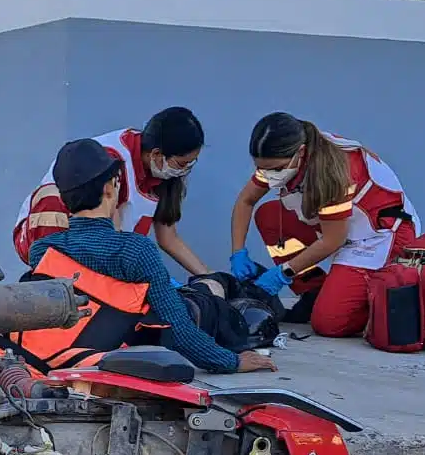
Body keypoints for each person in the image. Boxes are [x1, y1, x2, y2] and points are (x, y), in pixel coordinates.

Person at [14, 139, 277, 375]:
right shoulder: (134, 250)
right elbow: (182, 332)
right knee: (215, 287)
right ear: (109, 188)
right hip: (142, 336)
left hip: (86, 341)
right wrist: (232, 362)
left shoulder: (42, 250)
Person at [230, 113, 421, 338]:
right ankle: (312, 290)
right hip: (339, 225)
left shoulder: (334, 172)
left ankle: (375, 299)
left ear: (300, 152)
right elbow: (246, 200)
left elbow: (333, 241)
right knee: (270, 216)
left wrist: (282, 274)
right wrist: (238, 252)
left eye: (275, 169)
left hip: (379, 236)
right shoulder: (284, 159)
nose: (269, 177)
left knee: (329, 323)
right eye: (263, 169)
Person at [13, 107, 211, 276]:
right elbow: (107, 241)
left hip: (100, 252)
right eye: (182, 164)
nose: (185, 170)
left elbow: (169, 237)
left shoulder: (161, 173)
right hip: (53, 241)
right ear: (157, 154)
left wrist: (209, 276)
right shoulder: (109, 163)